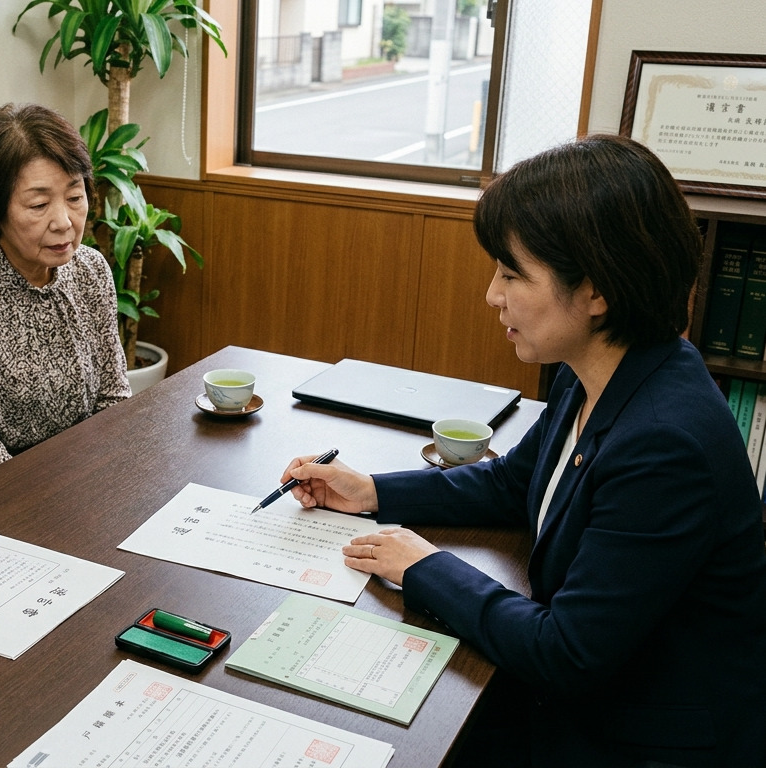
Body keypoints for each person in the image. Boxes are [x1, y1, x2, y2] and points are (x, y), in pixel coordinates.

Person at [280, 135, 766, 767]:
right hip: (592, 699)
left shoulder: (663, 443)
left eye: (512, 273)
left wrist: (422, 566)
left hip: (644, 738)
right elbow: (517, 482)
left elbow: (567, 653)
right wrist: (372, 490)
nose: (492, 295)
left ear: (596, 292)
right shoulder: (601, 367)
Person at [0, 103, 130, 470]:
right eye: (39, 204)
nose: (64, 222)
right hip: (9, 492)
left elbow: (114, 396)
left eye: (75, 198)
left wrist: (100, 472)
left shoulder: (91, 269)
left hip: (89, 473)